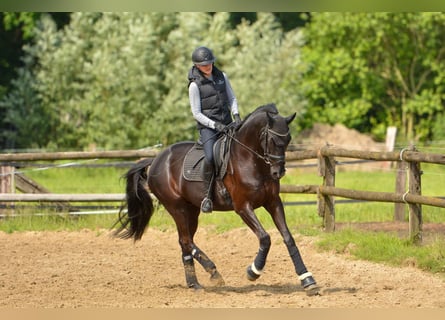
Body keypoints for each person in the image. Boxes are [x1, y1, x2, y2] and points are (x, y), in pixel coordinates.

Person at [188, 46, 242, 213]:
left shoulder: (221, 77)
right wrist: (214, 125)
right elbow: (196, 113)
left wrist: (236, 114)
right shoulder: (194, 86)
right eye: (204, 64)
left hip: (227, 123)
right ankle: (207, 197)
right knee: (210, 157)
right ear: (197, 66)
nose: (208, 66)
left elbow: (232, 97)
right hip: (208, 129)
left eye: (210, 63)